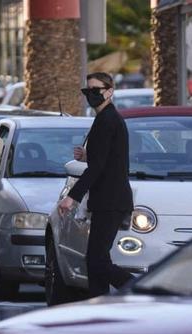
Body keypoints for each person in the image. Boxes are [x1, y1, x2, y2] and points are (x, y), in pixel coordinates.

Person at [57, 72, 133, 297]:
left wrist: (72, 196)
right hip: (108, 200)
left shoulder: (108, 120)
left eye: (96, 90)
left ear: (109, 92)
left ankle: (140, 290)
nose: (91, 95)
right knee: (96, 260)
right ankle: (99, 305)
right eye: (88, 91)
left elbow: (99, 167)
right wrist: (87, 156)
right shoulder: (106, 119)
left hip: (110, 201)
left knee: (97, 260)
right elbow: (107, 158)